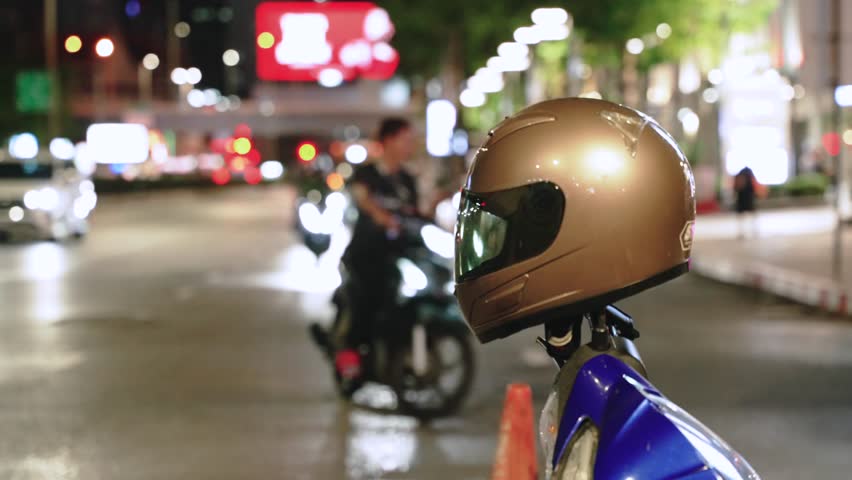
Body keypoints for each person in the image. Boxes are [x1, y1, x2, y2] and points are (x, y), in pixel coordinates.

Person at [334, 117, 419, 382]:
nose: (410, 145)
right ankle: (349, 353)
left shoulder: (406, 180)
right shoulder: (367, 174)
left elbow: (416, 214)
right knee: (365, 305)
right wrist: (382, 217)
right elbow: (363, 200)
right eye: (405, 139)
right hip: (366, 255)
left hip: (399, 256)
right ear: (389, 140)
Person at [733, 166, 757, 239]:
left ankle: (742, 232)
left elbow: (735, 188)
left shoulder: (739, 175)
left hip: (742, 198)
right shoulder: (749, 175)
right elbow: (753, 187)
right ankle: (753, 230)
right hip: (748, 198)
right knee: (751, 215)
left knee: (741, 216)